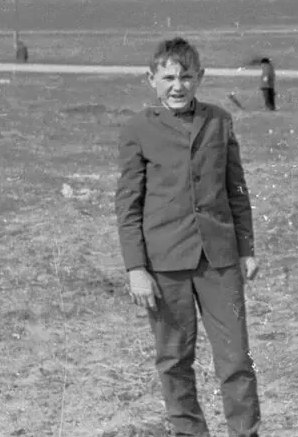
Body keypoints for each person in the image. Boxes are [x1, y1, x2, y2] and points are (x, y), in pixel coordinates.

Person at [115, 37, 261, 437]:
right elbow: (128, 204)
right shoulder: (138, 129)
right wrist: (135, 268)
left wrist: (246, 249)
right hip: (165, 266)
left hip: (219, 262)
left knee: (235, 360)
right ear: (151, 80)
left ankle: (245, 432)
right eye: (168, 78)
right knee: (174, 359)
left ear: (200, 78)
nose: (177, 86)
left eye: (185, 76)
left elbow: (237, 189)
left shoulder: (219, 120)